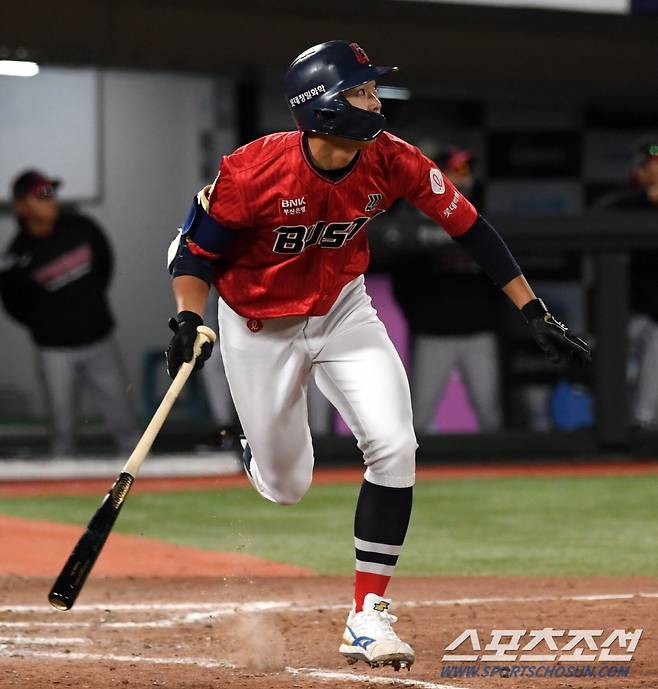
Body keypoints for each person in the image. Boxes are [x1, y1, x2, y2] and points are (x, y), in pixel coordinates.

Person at [165, 41, 590, 671]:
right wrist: (188, 320)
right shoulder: (253, 170)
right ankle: (260, 451)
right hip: (259, 325)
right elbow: (195, 257)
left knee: (395, 444)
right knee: (287, 489)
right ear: (326, 107)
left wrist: (533, 309)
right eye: (362, 90)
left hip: (343, 311)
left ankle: (367, 616)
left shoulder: (392, 159)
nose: (375, 99)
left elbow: (470, 228)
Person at [0, 170, 140, 457]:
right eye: (41, 195)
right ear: (21, 206)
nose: (50, 201)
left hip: (99, 339)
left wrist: (87, 307)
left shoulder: (81, 227)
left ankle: (141, 478)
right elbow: (13, 302)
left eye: (51, 193)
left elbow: (104, 265)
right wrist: (47, 326)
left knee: (124, 420)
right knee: (62, 430)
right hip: (55, 350)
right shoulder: (18, 253)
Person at [389, 145, 504, 432]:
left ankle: (494, 473)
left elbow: (502, 276)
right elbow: (401, 279)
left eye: (466, 171)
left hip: (479, 332)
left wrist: (489, 316)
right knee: (418, 419)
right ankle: (409, 476)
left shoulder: (483, 216)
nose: (464, 178)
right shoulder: (414, 215)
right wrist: (422, 319)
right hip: (434, 334)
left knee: (490, 415)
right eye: (457, 170)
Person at [594, 136, 658, 429]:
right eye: (653, 165)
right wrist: (647, 198)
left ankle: (642, 423)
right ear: (639, 171)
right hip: (627, 314)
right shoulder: (621, 205)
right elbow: (595, 217)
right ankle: (611, 423)